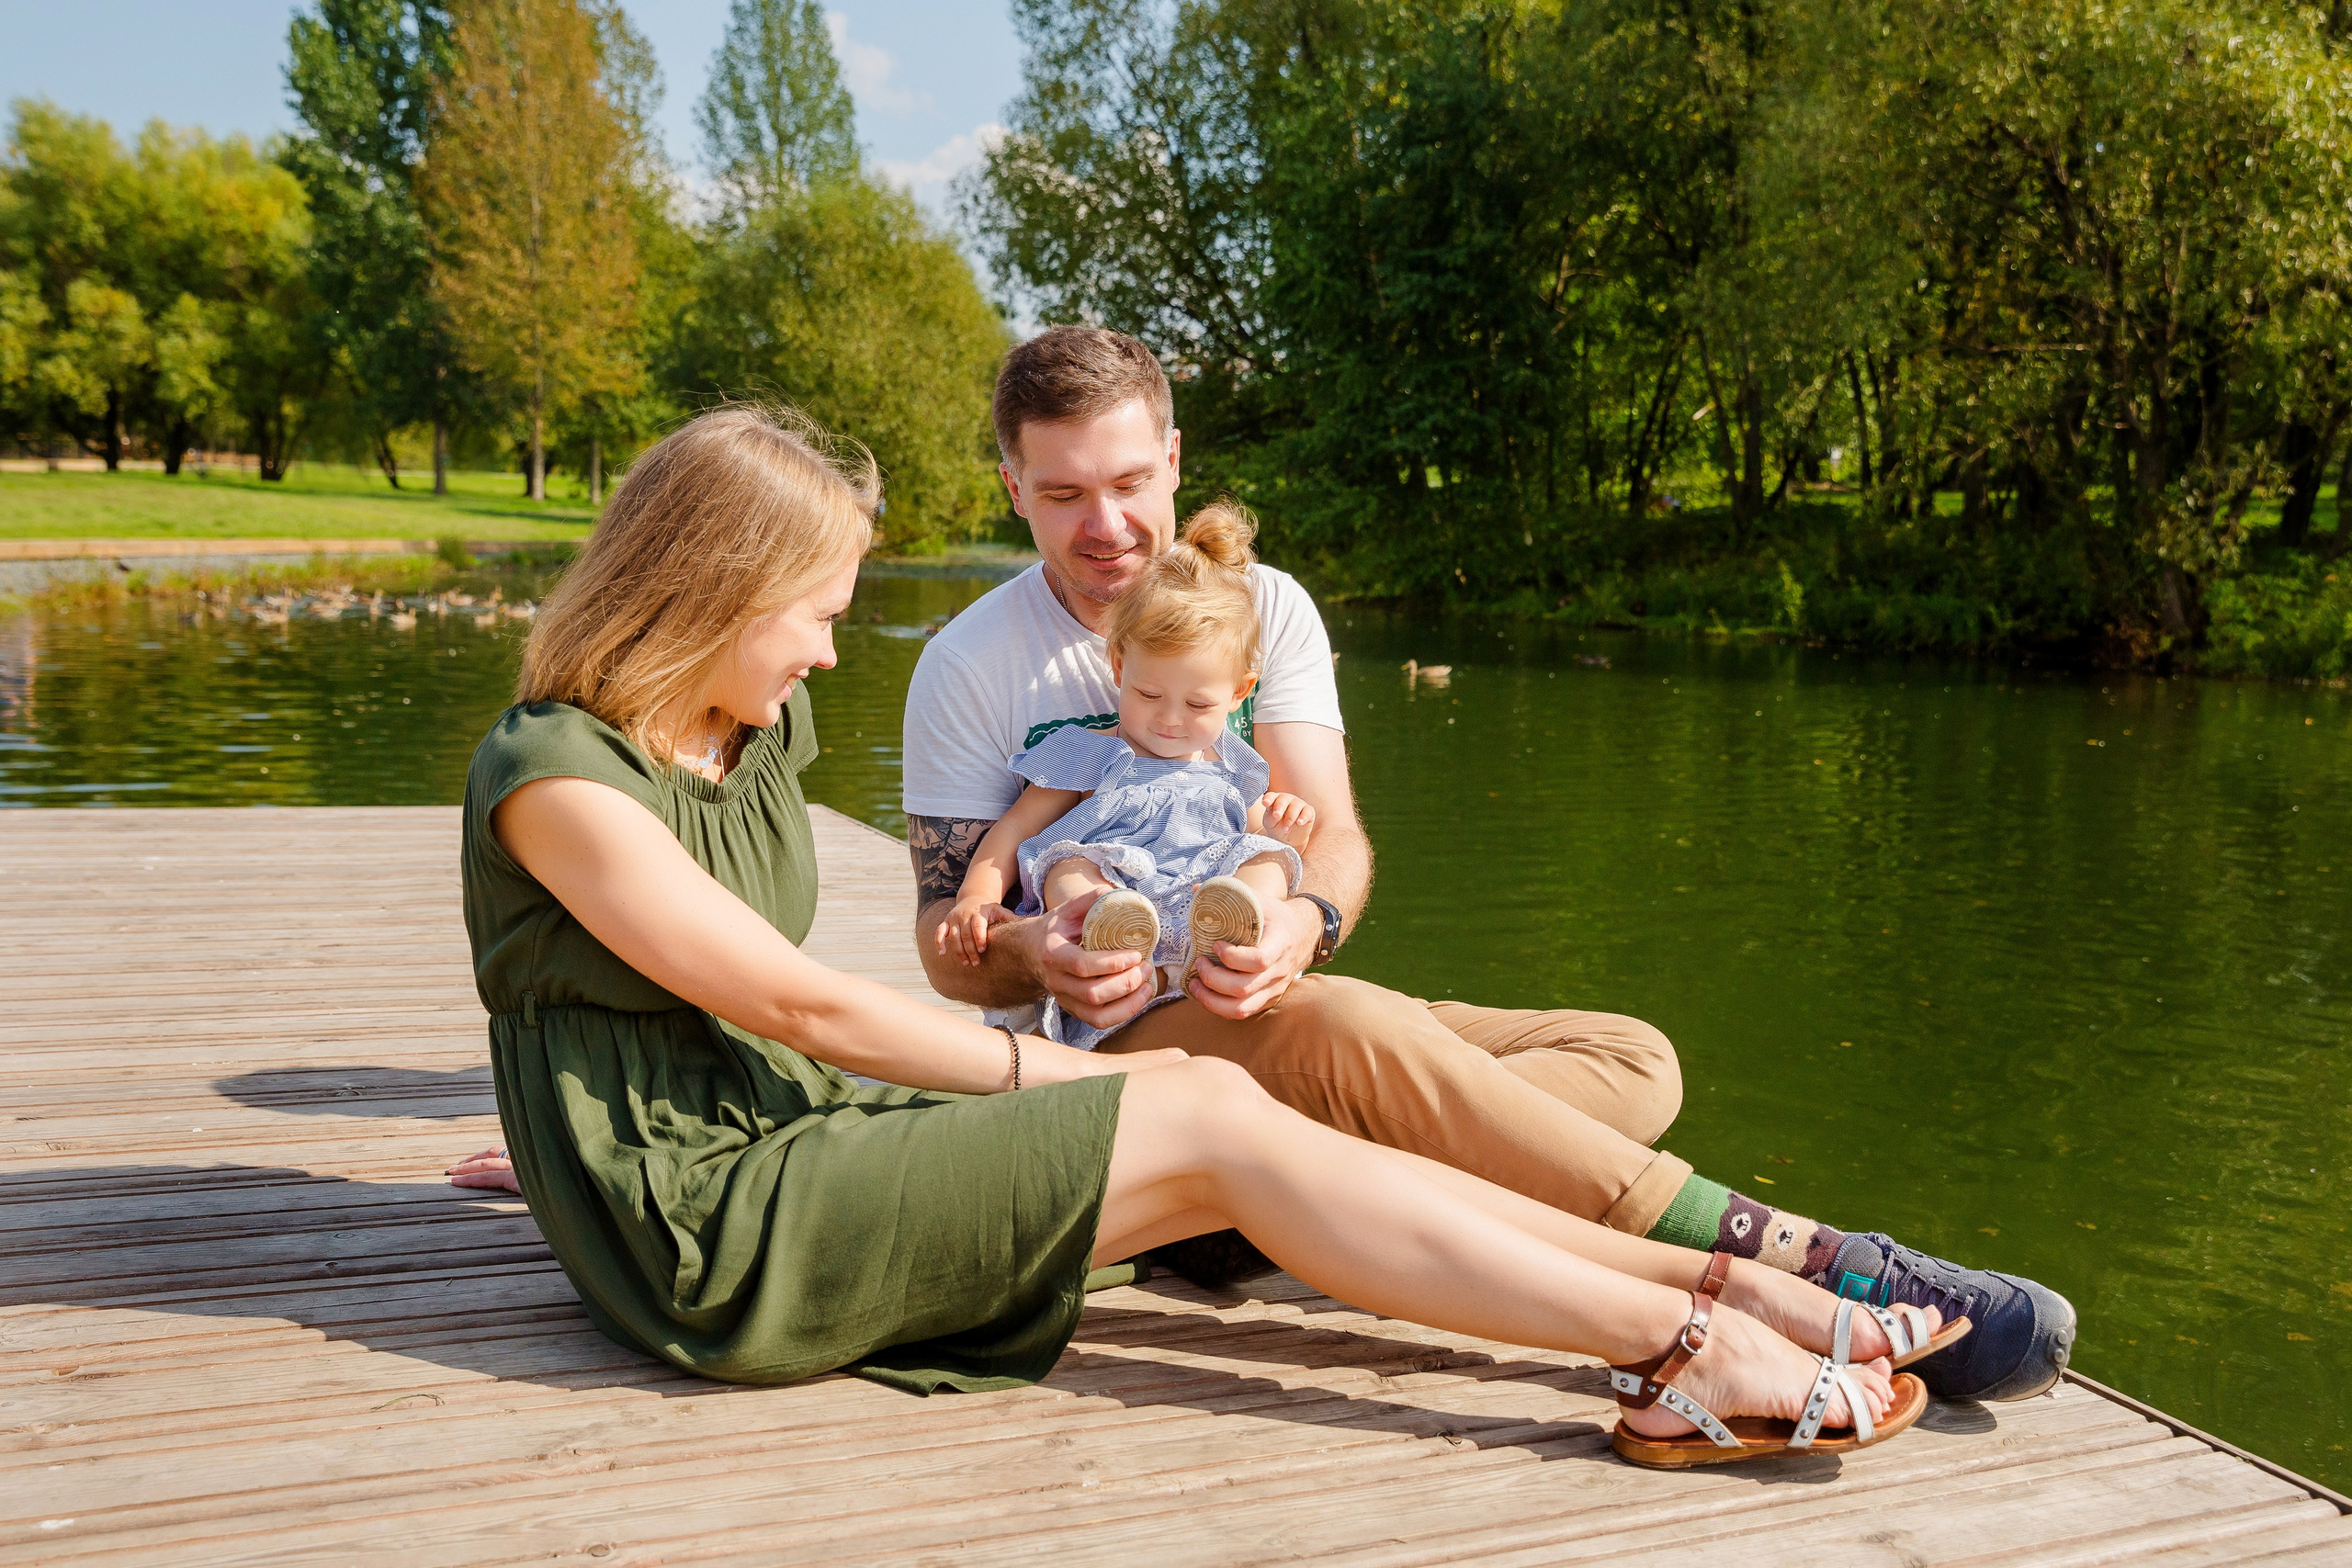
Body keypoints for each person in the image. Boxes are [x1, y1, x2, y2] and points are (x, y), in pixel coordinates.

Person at [451, 400, 1952, 1470]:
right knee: (1222, 1112)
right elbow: (809, 1003)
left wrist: (563, 1108)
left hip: (771, 1134)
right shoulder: (559, 780)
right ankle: (1686, 1340)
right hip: (705, 1235)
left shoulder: (740, 724)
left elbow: (700, 1012)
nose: (832, 645)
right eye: (813, 611)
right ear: (707, 588)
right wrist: (1055, 1075)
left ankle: (1715, 1294)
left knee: (1254, 1095)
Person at [894, 325, 2077, 1403]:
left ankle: (1269, 1209)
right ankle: (1803, 1260)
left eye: (1129, 483)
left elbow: (1333, 839)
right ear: (1012, 489)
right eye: (1061, 495)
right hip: (1124, 1050)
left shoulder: (1265, 612)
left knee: (1631, 1058)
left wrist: (1298, 920)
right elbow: (951, 944)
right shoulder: (968, 665)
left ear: (1174, 455)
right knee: (1353, 1036)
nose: (1103, 526)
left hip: (1277, 995)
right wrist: (1033, 949)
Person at [938, 501, 1315, 1048]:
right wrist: (975, 895)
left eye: (1196, 704)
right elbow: (1018, 827)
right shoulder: (1092, 753)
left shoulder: (1234, 764)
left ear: (1239, 693)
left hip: (1201, 904)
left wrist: (1285, 832)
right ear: (1119, 666)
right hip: (1122, 897)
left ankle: (1234, 928)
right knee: (1069, 859)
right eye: (1148, 694)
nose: (1168, 719)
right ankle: (1105, 923)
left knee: (1266, 859)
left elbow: (1261, 834)